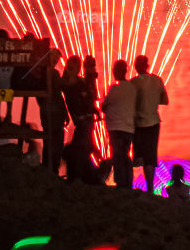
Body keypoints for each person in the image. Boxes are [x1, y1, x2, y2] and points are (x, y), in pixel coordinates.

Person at [132, 54, 168, 194]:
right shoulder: (157, 81)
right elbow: (165, 100)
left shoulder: (133, 83)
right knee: (150, 156)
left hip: (138, 123)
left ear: (136, 67)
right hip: (153, 122)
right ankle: (150, 188)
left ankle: (130, 184)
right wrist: (153, 100)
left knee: (139, 155)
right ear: (147, 66)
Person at [101, 60, 136, 189]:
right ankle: (128, 181)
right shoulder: (133, 88)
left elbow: (104, 107)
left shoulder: (114, 89)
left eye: (115, 70)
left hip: (115, 128)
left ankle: (121, 182)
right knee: (125, 154)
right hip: (129, 128)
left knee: (117, 156)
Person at [61, 55, 96, 183]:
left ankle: (78, 176)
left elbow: (91, 96)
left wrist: (90, 74)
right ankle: (79, 177)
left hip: (84, 120)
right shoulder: (68, 83)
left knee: (82, 148)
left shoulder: (76, 83)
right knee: (82, 148)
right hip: (82, 121)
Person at [35, 49, 66, 174]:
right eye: (53, 56)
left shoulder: (39, 73)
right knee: (56, 142)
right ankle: (53, 171)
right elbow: (58, 94)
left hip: (47, 110)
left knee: (48, 140)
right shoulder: (53, 73)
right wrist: (64, 111)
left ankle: (47, 169)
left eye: (57, 58)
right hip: (54, 112)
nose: (55, 60)